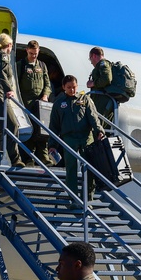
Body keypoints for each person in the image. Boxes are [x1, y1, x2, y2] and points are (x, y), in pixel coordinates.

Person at [49, 75, 104, 204]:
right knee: (71, 168)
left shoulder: (85, 100)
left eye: (74, 87)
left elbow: (93, 117)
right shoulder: (58, 103)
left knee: (89, 168)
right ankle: (73, 199)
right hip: (69, 138)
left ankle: (87, 199)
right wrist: (52, 145)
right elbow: (54, 126)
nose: (72, 90)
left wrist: (99, 131)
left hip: (86, 137)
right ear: (63, 87)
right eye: (69, 88)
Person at [0, 33, 25, 167]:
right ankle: (15, 159)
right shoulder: (3, 56)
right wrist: (9, 89)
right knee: (13, 124)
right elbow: (2, 73)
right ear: (8, 45)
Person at [17, 40, 52, 166]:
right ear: (27, 50)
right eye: (31, 53)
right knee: (29, 131)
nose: (34, 56)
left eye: (36, 53)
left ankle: (43, 156)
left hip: (40, 104)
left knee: (43, 131)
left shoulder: (42, 66)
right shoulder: (20, 65)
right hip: (25, 103)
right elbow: (16, 85)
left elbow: (48, 84)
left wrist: (45, 95)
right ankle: (28, 158)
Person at [86, 47, 114, 128]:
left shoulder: (103, 64)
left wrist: (92, 84)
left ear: (94, 56)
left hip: (102, 101)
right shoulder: (100, 66)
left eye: (90, 58)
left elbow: (107, 79)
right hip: (102, 100)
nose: (91, 62)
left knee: (97, 123)